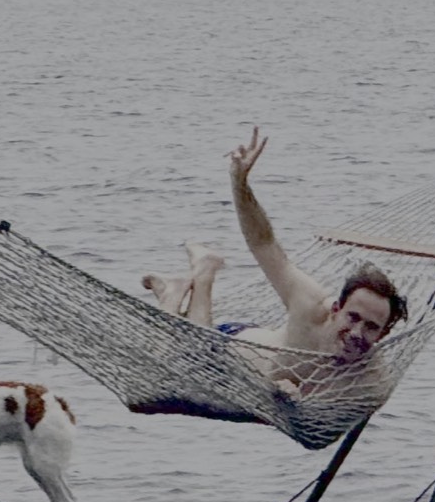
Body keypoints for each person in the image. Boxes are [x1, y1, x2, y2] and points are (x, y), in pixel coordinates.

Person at [142, 127, 407, 374]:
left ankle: (174, 289)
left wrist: (291, 396)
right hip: (227, 350)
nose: (356, 333)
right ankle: (201, 275)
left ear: (383, 335)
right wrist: (239, 181)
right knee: (167, 365)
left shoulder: (371, 380)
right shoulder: (310, 305)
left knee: (184, 351)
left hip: (252, 375)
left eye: (371, 327)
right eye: (353, 317)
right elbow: (264, 244)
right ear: (336, 309)